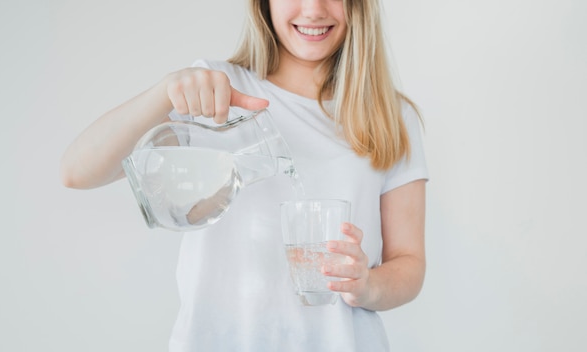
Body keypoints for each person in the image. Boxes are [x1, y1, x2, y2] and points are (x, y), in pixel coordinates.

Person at [60, 0, 428, 350]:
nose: (314, 10)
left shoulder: (391, 115)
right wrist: (164, 92)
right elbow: (77, 171)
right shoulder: (216, 89)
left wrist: (368, 286)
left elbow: (409, 264)